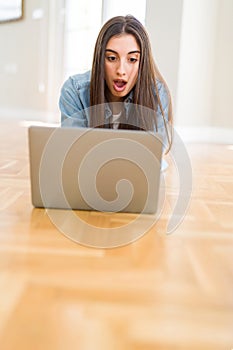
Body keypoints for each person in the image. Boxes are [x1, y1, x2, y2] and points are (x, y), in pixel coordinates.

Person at [59, 15, 173, 152]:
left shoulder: (157, 94)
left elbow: (154, 155)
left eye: (132, 59)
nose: (121, 70)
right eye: (112, 58)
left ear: (142, 63)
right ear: (100, 59)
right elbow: (74, 150)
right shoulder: (75, 91)